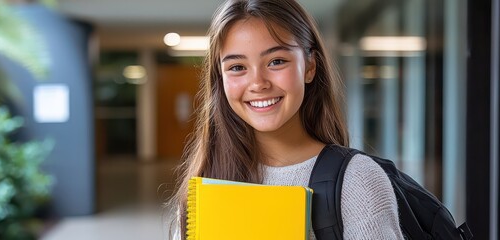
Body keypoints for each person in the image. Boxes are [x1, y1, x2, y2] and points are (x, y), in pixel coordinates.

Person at [167, 0, 404, 239]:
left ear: (310, 66)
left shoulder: (358, 181)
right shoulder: (206, 181)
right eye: (237, 67)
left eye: (276, 62)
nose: (258, 83)